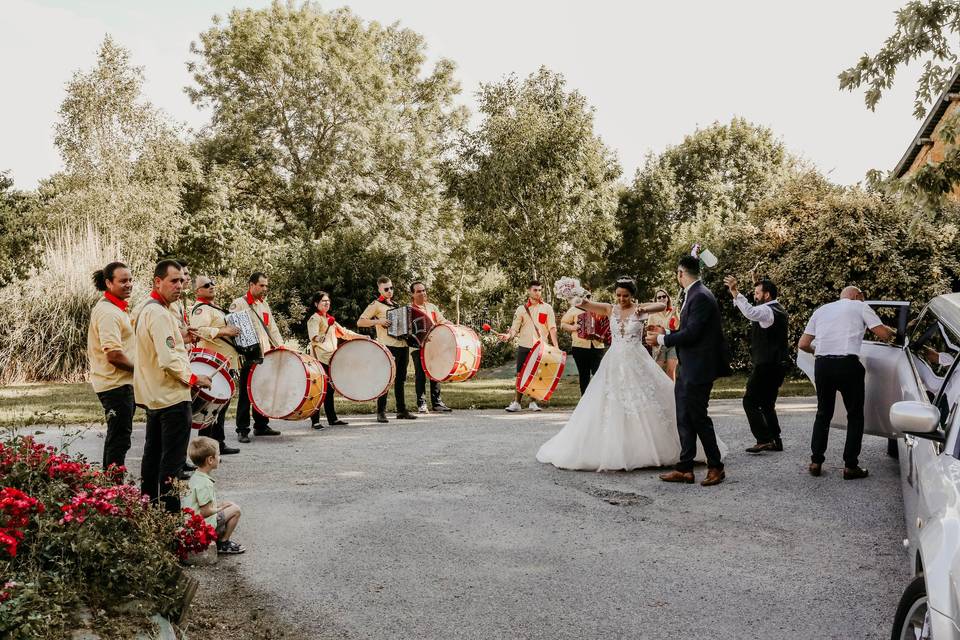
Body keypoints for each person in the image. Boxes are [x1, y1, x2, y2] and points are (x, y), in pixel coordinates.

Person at [537, 276, 726, 471]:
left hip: (637, 358)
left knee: (648, 400)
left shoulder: (639, 309)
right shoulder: (610, 308)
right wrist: (572, 293)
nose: (621, 299)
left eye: (625, 295)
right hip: (614, 361)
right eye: (618, 295)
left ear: (632, 295)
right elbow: (585, 304)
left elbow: (661, 306)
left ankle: (677, 450)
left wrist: (643, 309)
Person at [135, 259, 212, 512]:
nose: (179, 285)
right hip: (172, 398)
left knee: (153, 457)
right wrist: (194, 379)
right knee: (172, 464)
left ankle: (148, 509)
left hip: (156, 397)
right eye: (173, 281)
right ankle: (169, 517)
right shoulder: (158, 313)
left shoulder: (149, 309)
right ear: (158, 281)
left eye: (181, 280)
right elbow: (168, 359)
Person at [646, 256, 729, 487]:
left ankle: (716, 466)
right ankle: (685, 468)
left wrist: (663, 338)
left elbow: (692, 333)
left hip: (699, 368)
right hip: (688, 366)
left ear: (681, 273)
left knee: (698, 417)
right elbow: (690, 330)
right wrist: (671, 332)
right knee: (684, 416)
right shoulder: (694, 294)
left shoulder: (701, 295)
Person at [798, 286, 895, 480]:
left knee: (823, 413)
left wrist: (818, 352)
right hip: (848, 365)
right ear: (858, 295)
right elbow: (884, 334)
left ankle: (816, 461)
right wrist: (894, 332)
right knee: (855, 415)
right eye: (863, 296)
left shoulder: (822, 310)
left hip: (823, 366)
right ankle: (851, 466)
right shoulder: (860, 306)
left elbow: (803, 344)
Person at [724, 275, 790, 454]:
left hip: (767, 364)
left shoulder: (767, 311)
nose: (755, 296)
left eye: (757, 293)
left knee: (750, 401)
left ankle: (764, 439)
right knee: (768, 402)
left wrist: (735, 292)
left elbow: (750, 312)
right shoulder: (778, 310)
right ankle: (776, 440)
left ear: (767, 295)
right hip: (778, 364)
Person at [87, 261, 136, 471]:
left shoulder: (116, 308)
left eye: (130, 280)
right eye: (123, 281)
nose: (128, 284)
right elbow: (114, 355)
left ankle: (110, 488)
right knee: (119, 439)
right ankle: (113, 490)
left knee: (118, 437)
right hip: (115, 385)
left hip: (121, 384)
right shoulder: (108, 312)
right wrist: (142, 369)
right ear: (109, 283)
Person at [230, 272, 284, 442]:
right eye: (261, 285)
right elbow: (232, 329)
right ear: (251, 285)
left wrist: (280, 345)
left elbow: (272, 328)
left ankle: (261, 425)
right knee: (246, 392)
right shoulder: (238, 304)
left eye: (266, 286)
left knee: (262, 390)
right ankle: (242, 429)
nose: (264, 289)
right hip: (248, 355)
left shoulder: (264, 305)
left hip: (265, 354)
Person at [189, 275, 241, 455]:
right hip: (213, 364)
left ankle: (218, 443)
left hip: (225, 362)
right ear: (198, 291)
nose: (211, 286)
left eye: (212, 283)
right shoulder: (201, 310)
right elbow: (197, 331)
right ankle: (206, 448)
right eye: (206, 285)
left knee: (220, 406)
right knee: (210, 407)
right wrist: (223, 330)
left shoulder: (215, 308)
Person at [358, 277, 417, 423]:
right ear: (379, 289)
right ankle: (381, 412)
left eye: (391, 288)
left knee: (400, 380)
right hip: (388, 346)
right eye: (386, 289)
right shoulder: (376, 305)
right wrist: (378, 321)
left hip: (402, 346)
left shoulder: (396, 305)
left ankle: (401, 410)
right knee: (386, 379)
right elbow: (360, 321)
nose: (389, 291)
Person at [497, 280, 558, 412]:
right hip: (525, 346)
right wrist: (508, 336)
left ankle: (533, 403)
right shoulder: (521, 309)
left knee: (536, 375)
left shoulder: (547, 308)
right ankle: (517, 403)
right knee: (520, 375)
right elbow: (514, 328)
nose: (538, 293)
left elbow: (552, 328)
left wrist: (556, 347)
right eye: (535, 290)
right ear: (529, 291)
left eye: (540, 290)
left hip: (541, 347)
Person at [306, 290, 362, 429]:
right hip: (320, 359)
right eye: (323, 301)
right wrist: (319, 337)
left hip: (331, 358)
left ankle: (332, 418)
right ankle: (315, 421)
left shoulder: (330, 320)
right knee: (319, 390)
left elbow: (344, 333)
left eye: (328, 301)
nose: (327, 303)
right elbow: (313, 336)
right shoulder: (315, 318)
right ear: (316, 303)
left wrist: (361, 337)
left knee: (330, 390)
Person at [183, 436, 245, 555]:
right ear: (210, 460)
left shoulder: (196, 477)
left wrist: (220, 505)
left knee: (228, 506)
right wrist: (220, 508)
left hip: (193, 524)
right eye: (218, 455)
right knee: (236, 510)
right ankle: (223, 543)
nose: (220, 458)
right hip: (203, 526)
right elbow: (205, 512)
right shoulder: (205, 484)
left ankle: (218, 537)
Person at [409, 281, 453, 413]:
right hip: (418, 347)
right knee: (420, 375)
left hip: (434, 346)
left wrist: (451, 324)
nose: (422, 293)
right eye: (418, 291)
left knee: (436, 373)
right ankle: (421, 404)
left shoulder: (432, 307)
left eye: (423, 290)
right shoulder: (409, 310)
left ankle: (437, 403)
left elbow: (441, 320)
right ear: (412, 294)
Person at [559, 294, 605, 395]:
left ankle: (598, 398)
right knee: (584, 375)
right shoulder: (574, 309)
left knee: (598, 373)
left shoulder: (599, 309)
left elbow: (606, 324)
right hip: (580, 347)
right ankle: (584, 400)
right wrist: (573, 327)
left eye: (588, 296)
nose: (586, 298)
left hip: (598, 346)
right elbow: (563, 324)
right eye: (584, 296)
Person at [646, 289, 679, 380]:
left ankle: (672, 393)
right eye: (659, 297)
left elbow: (677, 328)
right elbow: (649, 332)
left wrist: (675, 315)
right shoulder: (652, 315)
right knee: (657, 371)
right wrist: (654, 345)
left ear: (667, 298)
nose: (662, 298)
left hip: (672, 343)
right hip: (659, 345)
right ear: (656, 300)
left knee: (671, 371)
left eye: (664, 296)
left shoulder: (673, 311)